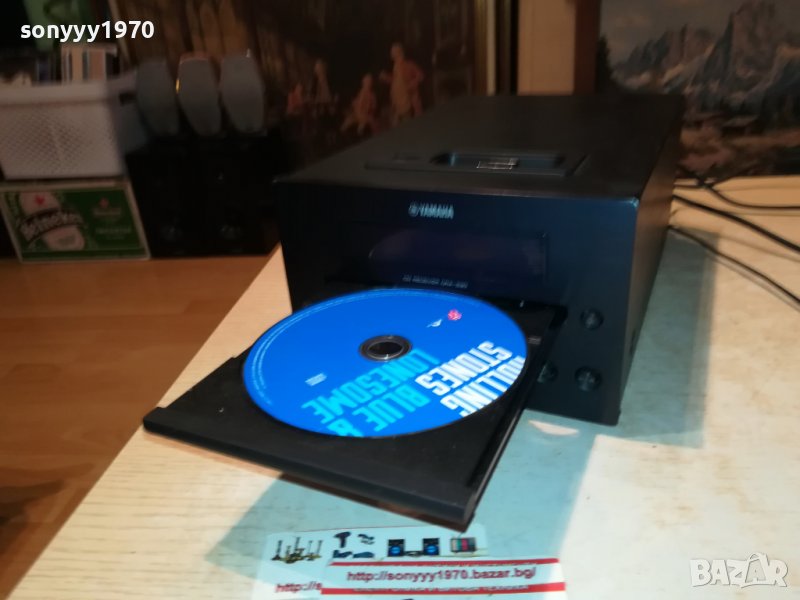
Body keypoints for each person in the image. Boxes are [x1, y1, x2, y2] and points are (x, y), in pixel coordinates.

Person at [379, 42, 424, 125]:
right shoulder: (395, 67)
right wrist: (386, 77)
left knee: (411, 123)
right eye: (392, 52)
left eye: (393, 51)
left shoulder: (408, 64)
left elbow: (420, 76)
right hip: (398, 102)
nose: (391, 54)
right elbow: (396, 81)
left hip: (408, 100)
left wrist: (412, 83)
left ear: (399, 52)